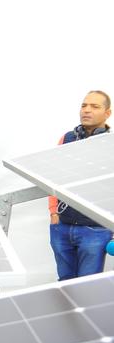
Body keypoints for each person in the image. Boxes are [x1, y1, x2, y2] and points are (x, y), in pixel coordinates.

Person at [48, 90, 112, 281]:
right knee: (64, 284)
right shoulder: (67, 139)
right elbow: (52, 176)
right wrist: (54, 213)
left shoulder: (111, 145)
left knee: (88, 286)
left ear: (107, 113)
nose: (87, 110)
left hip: (96, 229)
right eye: (84, 105)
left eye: (94, 106)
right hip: (62, 225)